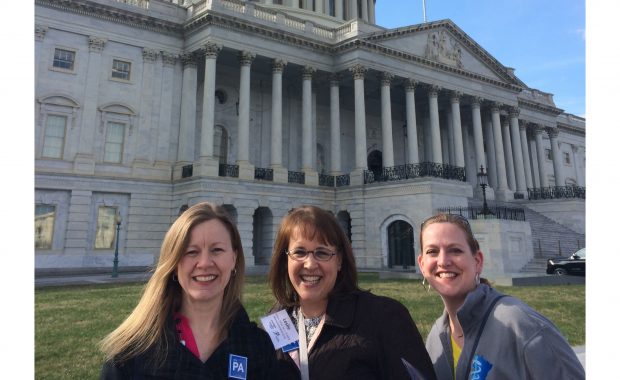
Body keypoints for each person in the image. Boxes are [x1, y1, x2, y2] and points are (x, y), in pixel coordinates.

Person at [99, 202, 278, 379]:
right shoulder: (130, 354)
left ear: (234, 258)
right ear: (174, 263)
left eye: (217, 250)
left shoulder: (259, 347)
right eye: (192, 252)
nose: (205, 263)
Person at [268, 205, 436, 380]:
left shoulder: (383, 317)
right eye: (299, 252)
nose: (310, 264)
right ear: (285, 259)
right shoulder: (276, 320)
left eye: (322, 253)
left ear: (339, 260)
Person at [418, 213, 585, 380]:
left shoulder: (521, 324)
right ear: (422, 265)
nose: (443, 261)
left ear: (477, 261)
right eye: (432, 251)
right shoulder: (436, 337)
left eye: (455, 250)